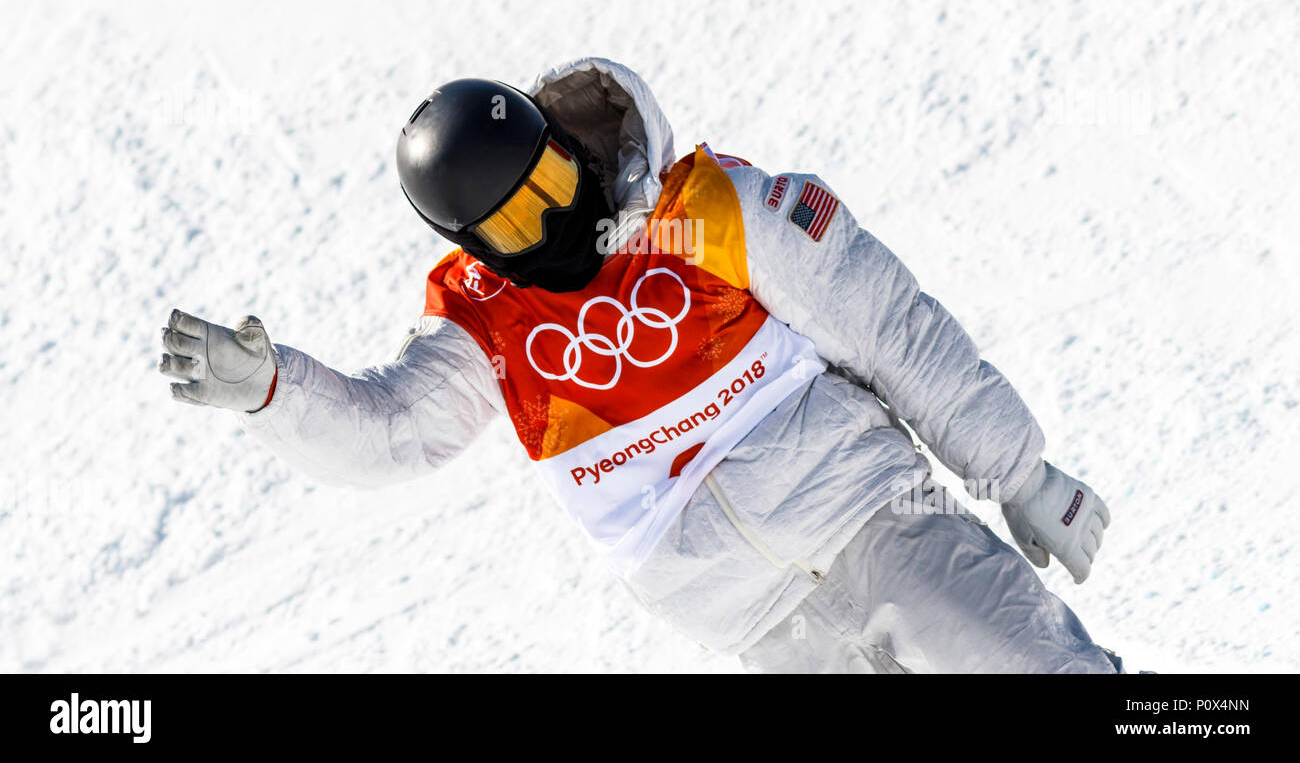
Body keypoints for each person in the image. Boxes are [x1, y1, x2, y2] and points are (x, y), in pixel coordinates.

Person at [158, 57, 1119, 673]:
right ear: (477, 245)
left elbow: (893, 328)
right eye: (519, 216)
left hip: (874, 517)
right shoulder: (488, 315)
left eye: (553, 174)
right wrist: (275, 392)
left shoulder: (708, 211)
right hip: (750, 618)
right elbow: (395, 433)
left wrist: (1022, 474)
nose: (556, 209)